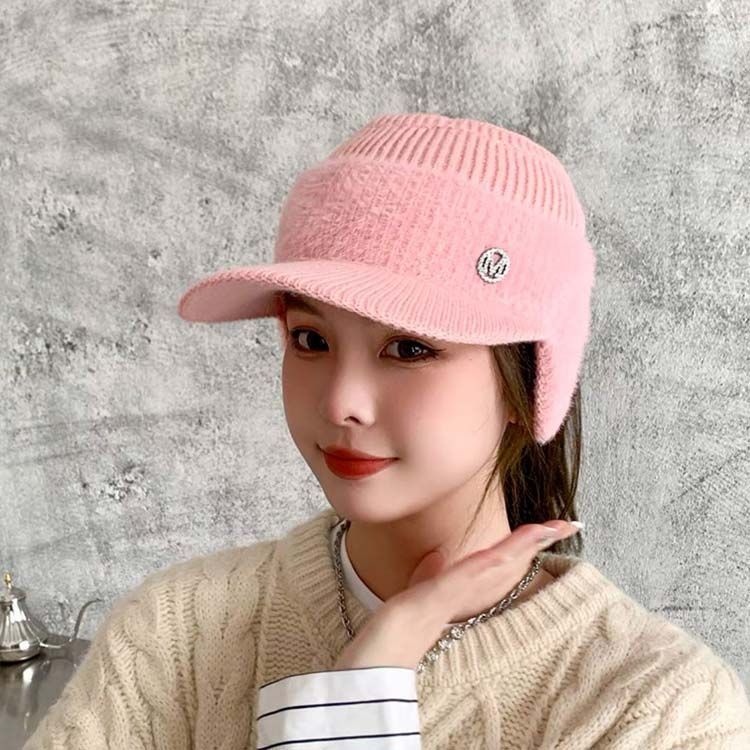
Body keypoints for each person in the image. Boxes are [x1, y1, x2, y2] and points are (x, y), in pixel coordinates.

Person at [22, 112, 750, 749]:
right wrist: (386, 650)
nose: (343, 401)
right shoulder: (171, 633)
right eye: (311, 339)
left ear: (527, 381)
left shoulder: (657, 704)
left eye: (409, 348)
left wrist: (364, 688)